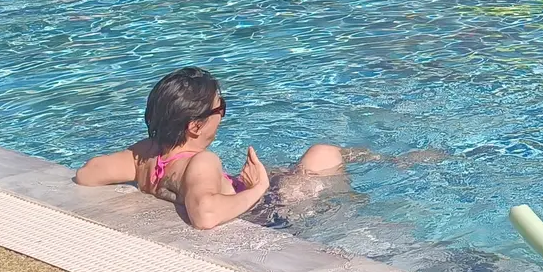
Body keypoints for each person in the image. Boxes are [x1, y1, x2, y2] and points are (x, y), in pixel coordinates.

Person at [74, 67, 355, 230]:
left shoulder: (147, 153)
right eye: (220, 109)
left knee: (287, 169)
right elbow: (205, 214)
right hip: (265, 216)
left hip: (236, 192)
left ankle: (375, 158)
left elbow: (87, 173)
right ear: (195, 126)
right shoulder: (202, 162)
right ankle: (362, 190)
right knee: (324, 154)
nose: (222, 115)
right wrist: (259, 189)